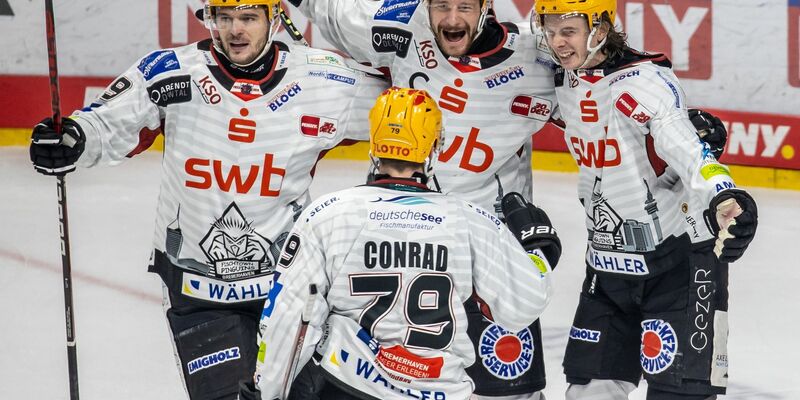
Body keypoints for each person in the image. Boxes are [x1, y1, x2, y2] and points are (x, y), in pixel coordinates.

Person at [28, 0, 388, 398]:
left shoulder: (326, 79)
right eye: (224, 18)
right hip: (198, 291)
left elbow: (407, 104)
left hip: (289, 287)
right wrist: (73, 139)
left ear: (275, 20)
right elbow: (106, 121)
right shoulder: (173, 73)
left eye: (248, 18)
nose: (235, 30)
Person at [284, 0, 560, 397]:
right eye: (441, 6)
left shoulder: (536, 59)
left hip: (485, 259)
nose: (451, 19)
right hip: (403, 258)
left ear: (486, 8)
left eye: (464, 6)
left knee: (510, 394)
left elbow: (595, 98)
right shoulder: (398, 27)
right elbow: (333, 10)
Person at [532, 0, 759, 398]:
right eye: (549, 31)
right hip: (607, 270)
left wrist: (724, 193)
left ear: (600, 29)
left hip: (681, 267)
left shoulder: (645, 82)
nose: (556, 42)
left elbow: (687, 148)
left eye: (567, 31)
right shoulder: (559, 75)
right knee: (588, 393)